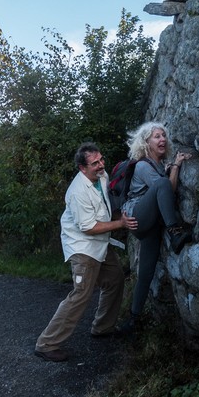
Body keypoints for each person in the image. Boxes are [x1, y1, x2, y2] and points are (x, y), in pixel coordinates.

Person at [34, 142, 137, 362]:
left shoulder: (101, 176)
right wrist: (121, 224)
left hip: (100, 243)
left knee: (115, 279)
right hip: (82, 246)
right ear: (82, 168)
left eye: (101, 159)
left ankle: (103, 327)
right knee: (81, 294)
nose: (101, 165)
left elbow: (107, 203)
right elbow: (88, 227)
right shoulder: (77, 191)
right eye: (95, 163)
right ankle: (47, 344)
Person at [118, 122, 192, 334]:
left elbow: (168, 192)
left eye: (163, 136)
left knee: (146, 271)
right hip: (138, 217)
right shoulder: (143, 165)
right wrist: (174, 167)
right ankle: (175, 232)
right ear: (146, 143)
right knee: (161, 184)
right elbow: (165, 187)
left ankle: (133, 319)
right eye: (156, 136)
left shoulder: (160, 166)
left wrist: (173, 166)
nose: (162, 139)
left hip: (151, 222)